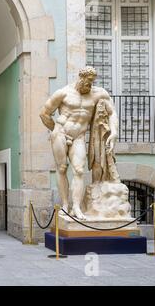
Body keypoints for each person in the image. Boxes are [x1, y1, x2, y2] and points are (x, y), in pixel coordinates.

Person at [39, 66, 118, 220]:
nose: (90, 85)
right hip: (61, 133)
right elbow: (44, 113)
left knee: (79, 170)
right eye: (88, 82)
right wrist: (55, 128)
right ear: (81, 78)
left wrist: (114, 131)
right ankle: (65, 205)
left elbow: (112, 112)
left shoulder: (98, 93)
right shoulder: (63, 93)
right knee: (62, 168)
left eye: (92, 82)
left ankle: (76, 206)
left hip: (79, 136)